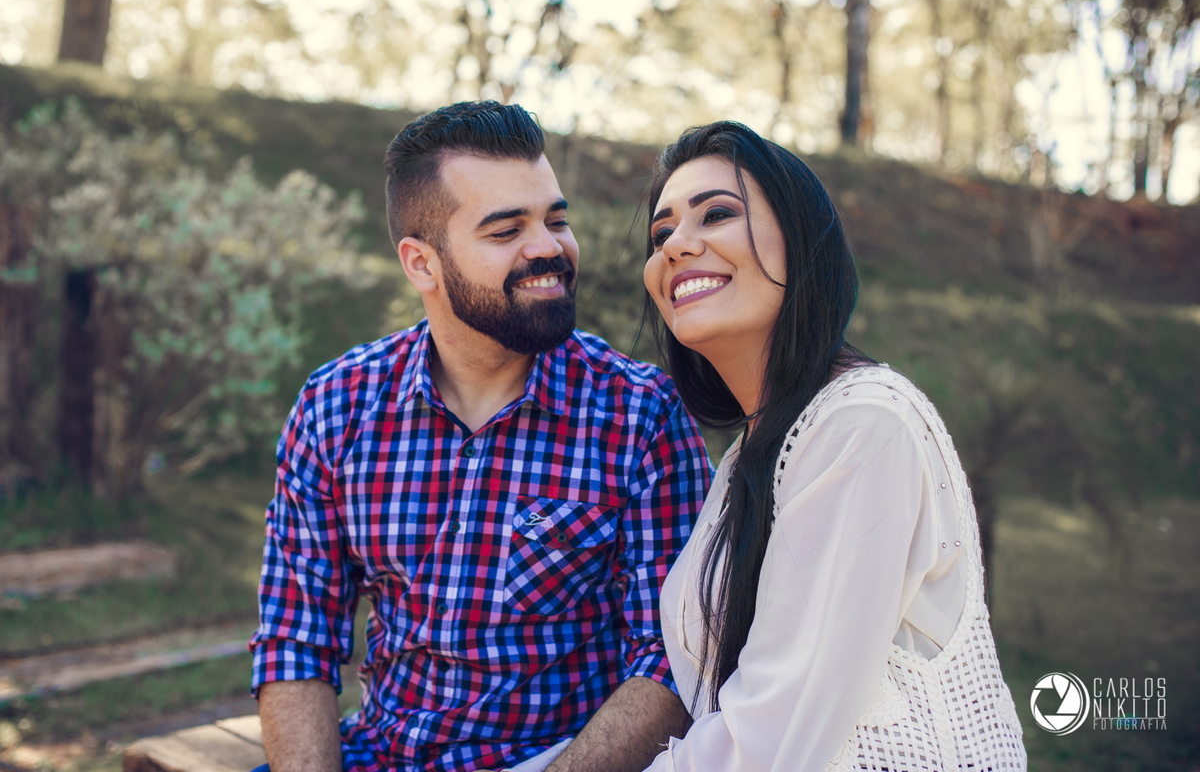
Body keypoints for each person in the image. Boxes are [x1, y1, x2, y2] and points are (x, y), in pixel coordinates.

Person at [250, 101, 711, 772]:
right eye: (506, 230)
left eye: (556, 220)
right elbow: (296, 641)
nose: (549, 247)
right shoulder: (335, 408)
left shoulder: (641, 416)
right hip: (378, 754)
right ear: (422, 264)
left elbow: (673, 661)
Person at [638, 121, 1027, 771]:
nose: (677, 244)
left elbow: (768, 742)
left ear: (799, 242)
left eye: (717, 213)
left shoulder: (862, 425)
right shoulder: (746, 460)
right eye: (661, 234)